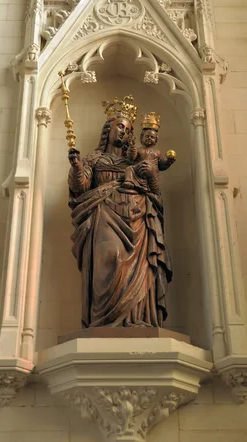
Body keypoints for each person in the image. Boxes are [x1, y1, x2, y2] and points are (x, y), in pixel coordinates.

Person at [67, 96, 173, 328]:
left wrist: (153, 175)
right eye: (120, 127)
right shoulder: (94, 158)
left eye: (128, 129)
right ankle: (104, 322)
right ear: (109, 130)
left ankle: (137, 319)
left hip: (138, 219)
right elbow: (81, 187)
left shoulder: (134, 159)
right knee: (110, 258)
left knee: (140, 268)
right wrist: (76, 166)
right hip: (104, 216)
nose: (124, 132)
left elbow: (155, 192)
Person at [125, 112, 177, 194]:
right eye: (147, 136)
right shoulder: (138, 149)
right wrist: (131, 150)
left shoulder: (157, 152)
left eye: (152, 137)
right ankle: (129, 181)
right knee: (129, 169)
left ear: (156, 140)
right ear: (142, 137)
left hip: (151, 178)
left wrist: (168, 162)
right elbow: (131, 159)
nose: (149, 138)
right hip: (138, 174)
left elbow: (161, 165)